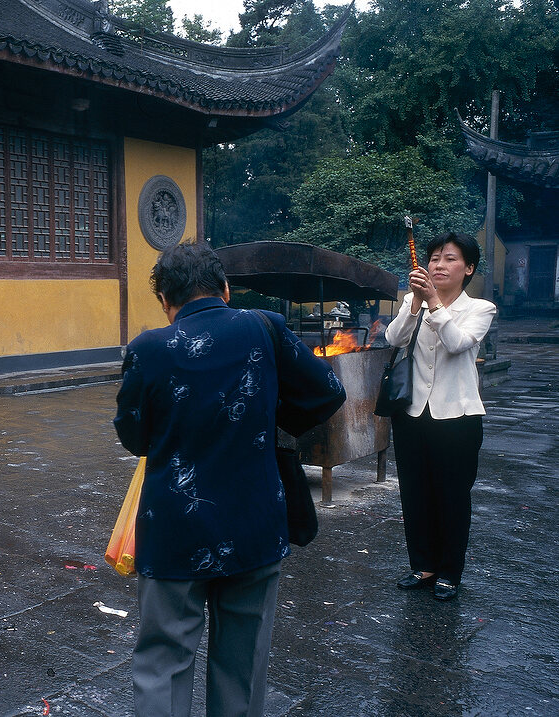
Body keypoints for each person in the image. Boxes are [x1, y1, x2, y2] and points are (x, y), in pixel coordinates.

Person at [113, 242, 345, 717]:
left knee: (164, 660)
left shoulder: (147, 350)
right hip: (254, 522)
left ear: (165, 301)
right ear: (224, 289)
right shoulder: (264, 327)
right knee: (243, 663)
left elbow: (133, 436)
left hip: (176, 529)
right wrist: (267, 414)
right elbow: (328, 392)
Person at [386, 232, 495, 602]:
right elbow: (394, 338)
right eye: (434, 258)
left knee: (452, 496)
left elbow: (457, 343)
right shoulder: (412, 299)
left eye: (450, 259)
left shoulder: (480, 309)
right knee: (415, 494)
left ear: (468, 268)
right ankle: (424, 564)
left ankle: (450, 570)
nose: (439, 265)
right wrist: (415, 303)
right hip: (412, 414)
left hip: (458, 417)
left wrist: (433, 302)